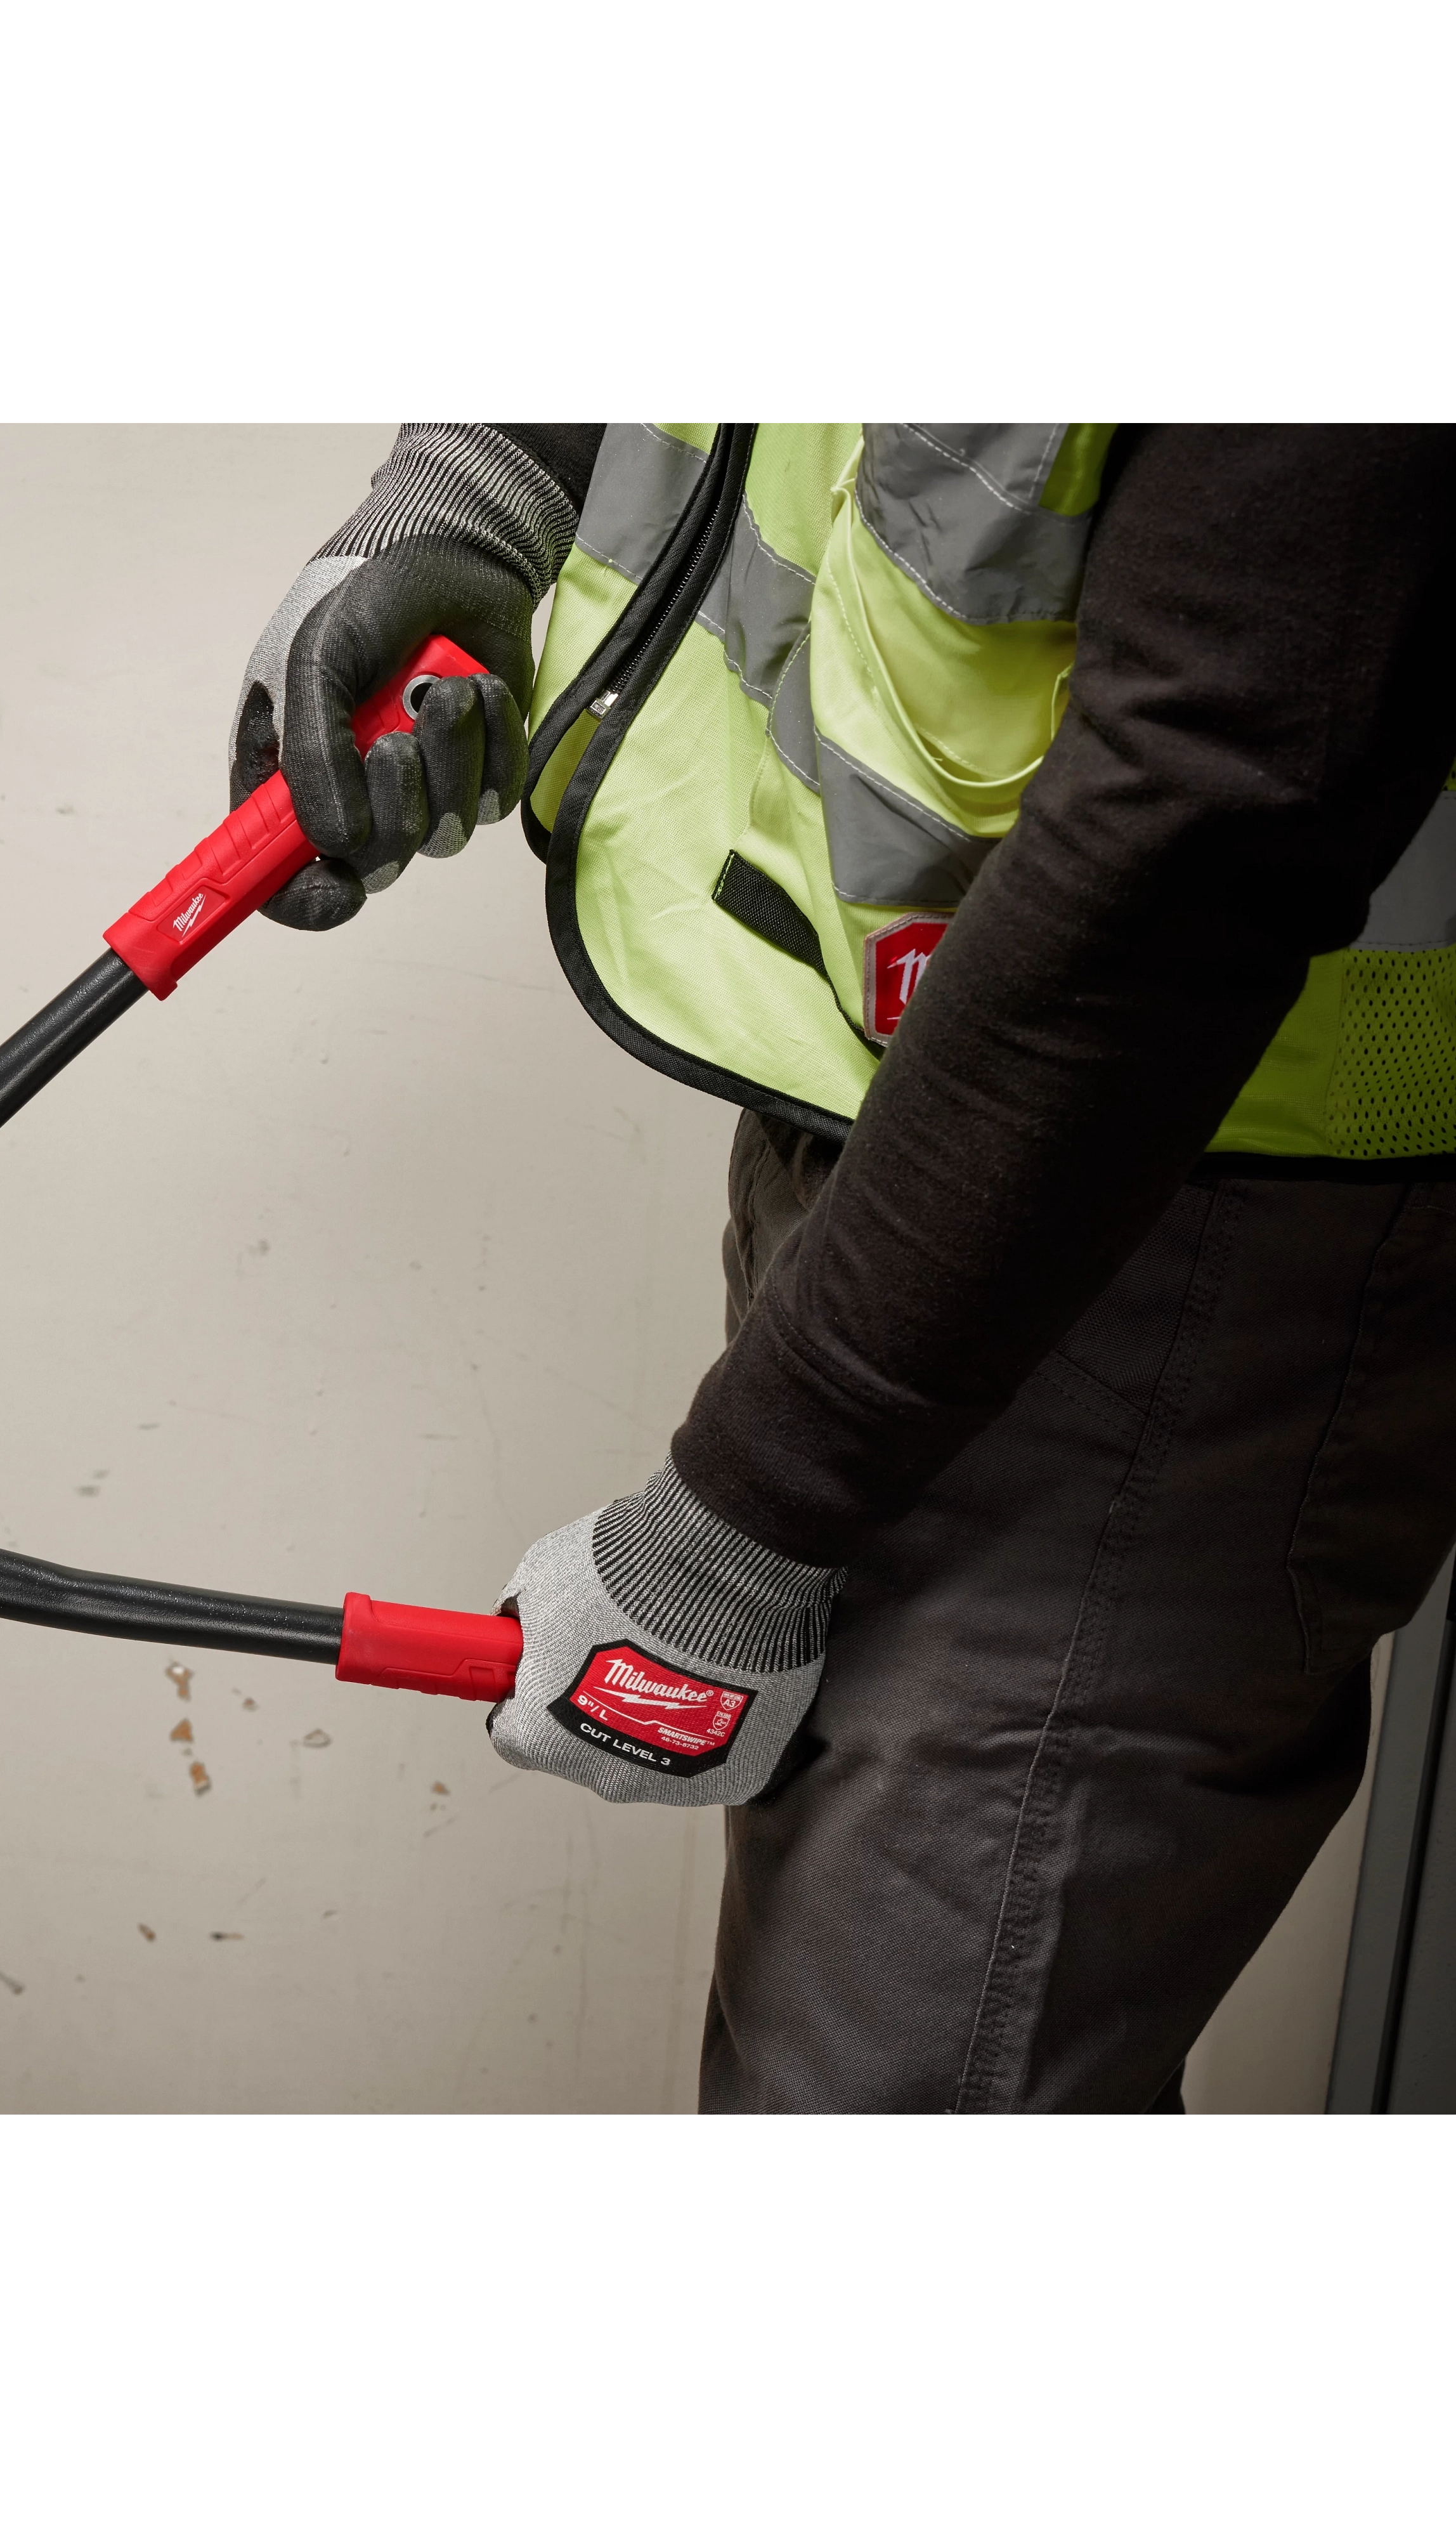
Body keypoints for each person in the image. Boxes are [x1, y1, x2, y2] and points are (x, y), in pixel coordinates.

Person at [233, 422, 1456, 2113]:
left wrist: (756, 1505)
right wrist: (486, 491)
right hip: (916, 1130)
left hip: (1194, 1224)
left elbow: (1209, 825)